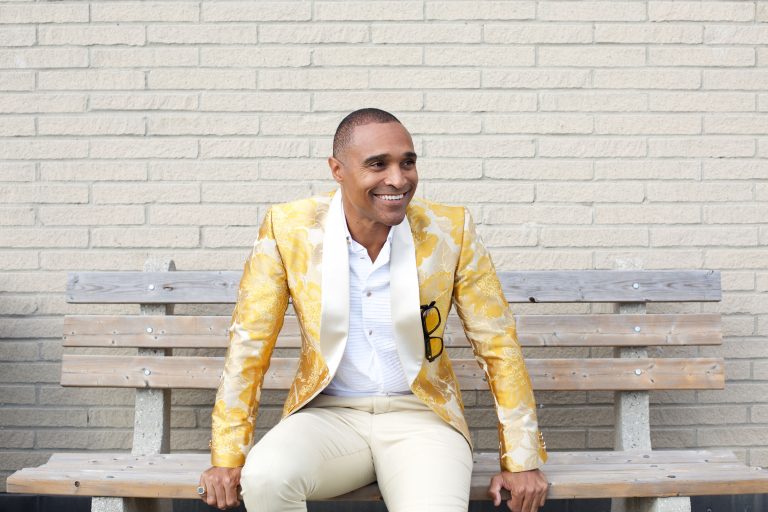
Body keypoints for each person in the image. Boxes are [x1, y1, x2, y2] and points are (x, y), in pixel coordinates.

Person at [198, 108, 549, 512]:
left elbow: (497, 344)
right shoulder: (289, 228)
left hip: (423, 419)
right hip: (328, 417)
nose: (398, 179)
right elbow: (250, 343)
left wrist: (521, 459)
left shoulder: (450, 228)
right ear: (337, 170)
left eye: (407, 163)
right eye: (378, 164)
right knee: (265, 478)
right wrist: (227, 456)